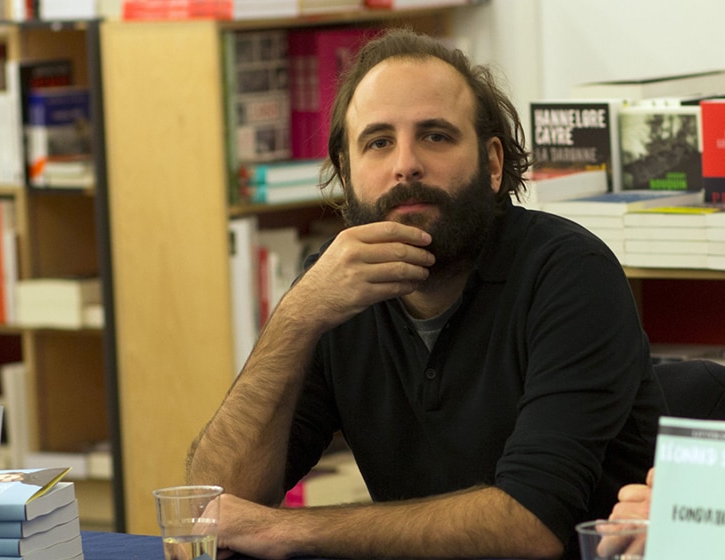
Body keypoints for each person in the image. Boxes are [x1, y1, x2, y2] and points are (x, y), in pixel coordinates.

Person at [186, 28, 667, 560]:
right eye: (378, 142)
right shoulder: (332, 288)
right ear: (346, 173)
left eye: (435, 136)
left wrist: (286, 529)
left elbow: (531, 526)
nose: (406, 164)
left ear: (492, 163)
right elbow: (215, 509)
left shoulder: (571, 273)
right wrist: (295, 317)